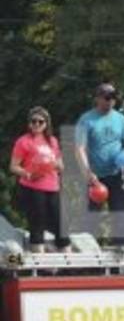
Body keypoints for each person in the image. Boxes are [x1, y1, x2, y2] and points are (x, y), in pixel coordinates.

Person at [75, 83, 124, 247]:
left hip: (116, 173)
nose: (111, 101)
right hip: (95, 177)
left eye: (113, 98)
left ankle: (121, 255)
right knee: (91, 218)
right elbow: (79, 148)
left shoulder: (122, 119)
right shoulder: (86, 120)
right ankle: (89, 258)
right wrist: (87, 172)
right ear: (98, 98)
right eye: (107, 98)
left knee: (121, 213)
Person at [10, 106, 69, 253]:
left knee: (60, 224)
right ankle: (38, 264)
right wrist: (29, 174)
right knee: (37, 224)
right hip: (32, 188)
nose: (36, 124)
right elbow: (13, 166)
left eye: (40, 121)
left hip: (53, 187)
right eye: (33, 121)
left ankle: (68, 264)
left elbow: (61, 166)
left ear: (46, 123)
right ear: (29, 123)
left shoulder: (52, 141)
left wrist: (55, 165)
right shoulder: (23, 141)